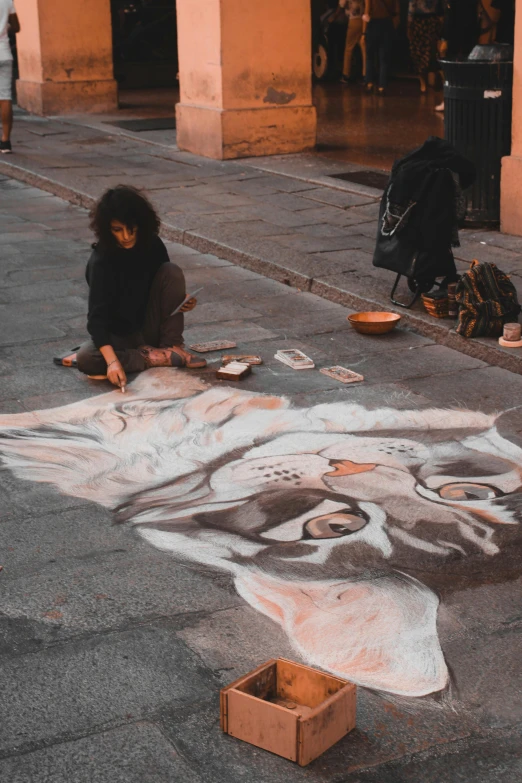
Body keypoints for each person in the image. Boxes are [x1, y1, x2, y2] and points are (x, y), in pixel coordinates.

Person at [76, 186, 206, 390]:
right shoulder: (102, 261)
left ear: (141, 224)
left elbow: (166, 282)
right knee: (85, 357)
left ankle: (171, 347)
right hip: (119, 335)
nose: (126, 236)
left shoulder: (151, 244)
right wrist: (112, 362)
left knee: (171, 270)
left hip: (150, 327)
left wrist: (183, 300)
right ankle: (158, 357)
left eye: (131, 229)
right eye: (117, 230)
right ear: (107, 229)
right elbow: (97, 320)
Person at [362, 0, 399, 95]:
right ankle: (382, 86)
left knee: (370, 56)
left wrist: (363, 33)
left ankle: (369, 83)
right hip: (387, 23)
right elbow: (396, 11)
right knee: (384, 58)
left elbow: (367, 12)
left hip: (373, 23)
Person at [407, 0, 444, 93]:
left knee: (421, 51)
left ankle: (424, 82)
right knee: (428, 51)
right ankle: (429, 79)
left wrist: (409, 24)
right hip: (429, 21)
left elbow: (412, 7)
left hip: (421, 22)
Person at [0, 0, 19, 154]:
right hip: (4, 53)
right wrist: (5, 27)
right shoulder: (6, 1)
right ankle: (5, 142)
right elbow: (17, 27)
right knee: (5, 97)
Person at [339, 0, 366, 83]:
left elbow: (342, 4)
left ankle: (346, 74)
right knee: (364, 48)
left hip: (353, 20)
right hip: (363, 21)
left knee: (349, 48)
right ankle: (366, 74)